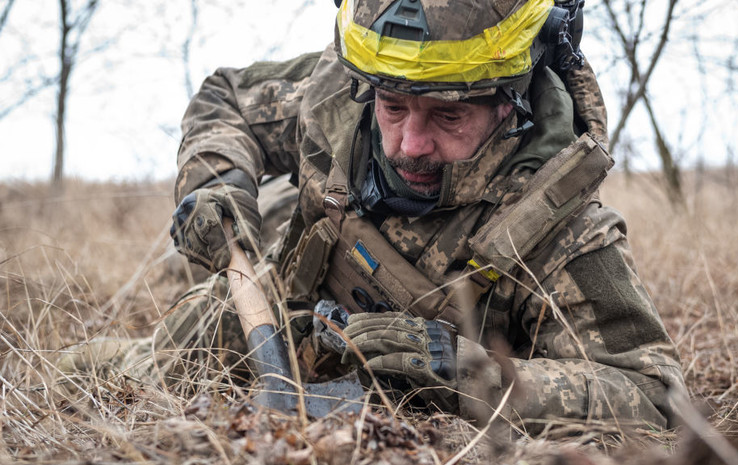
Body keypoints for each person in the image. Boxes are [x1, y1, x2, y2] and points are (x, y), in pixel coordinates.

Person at [164, 0, 688, 435]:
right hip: (262, 318)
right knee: (105, 362)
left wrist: (466, 371)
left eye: (449, 114)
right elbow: (227, 98)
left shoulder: (563, 230)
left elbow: (653, 394)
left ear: (513, 102)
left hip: (394, 421)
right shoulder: (340, 97)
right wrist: (220, 185)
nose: (409, 145)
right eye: (392, 107)